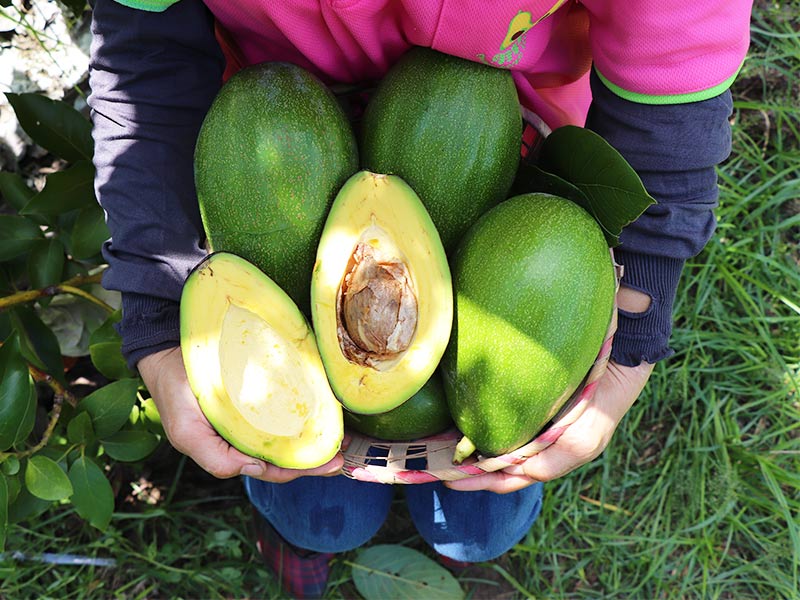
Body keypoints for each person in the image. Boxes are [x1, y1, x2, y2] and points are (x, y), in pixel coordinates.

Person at [87, 0, 753, 597]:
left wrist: (633, 333)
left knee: (482, 519)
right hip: (281, 143)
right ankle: (305, 534)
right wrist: (157, 302)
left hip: (507, 138)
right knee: (316, 511)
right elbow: (147, 53)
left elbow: (675, 70)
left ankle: (463, 527)